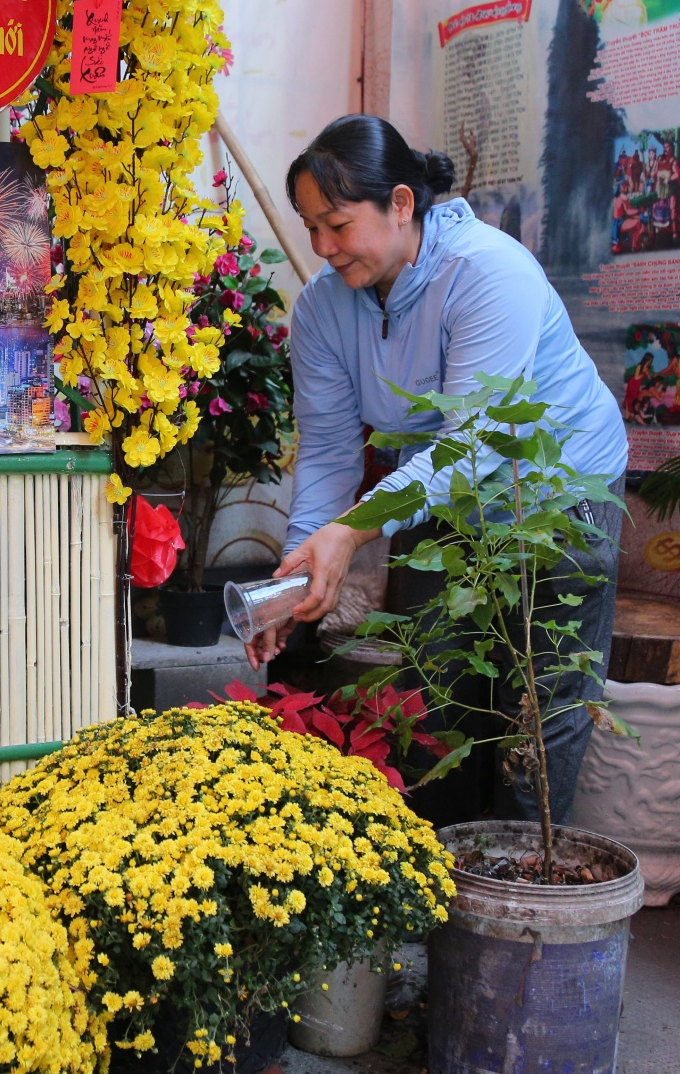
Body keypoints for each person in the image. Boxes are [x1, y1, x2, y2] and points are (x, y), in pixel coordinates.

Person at [246, 115, 630, 826]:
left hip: (558, 485)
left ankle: (520, 873)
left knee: (544, 696)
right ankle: (443, 869)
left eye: (337, 223)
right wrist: (301, 573)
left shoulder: (487, 272)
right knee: (432, 684)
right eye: (311, 229)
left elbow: (477, 442)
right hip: (435, 491)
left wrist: (354, 531)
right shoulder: (323, 311)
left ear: (399, 203)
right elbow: (329, 451)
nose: (324, 249)